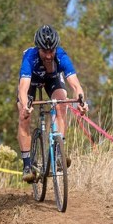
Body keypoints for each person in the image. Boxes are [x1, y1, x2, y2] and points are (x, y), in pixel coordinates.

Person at [17, 25, 89, 182]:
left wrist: (82, 102)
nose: (49, 55)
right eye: (45, 51)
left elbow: (75, 85)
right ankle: (27, 164)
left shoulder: (61, 56)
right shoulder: (30, 57)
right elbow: (23, 88)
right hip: (32, 81)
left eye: (52, 51)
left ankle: (58, 151)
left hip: (52, 79)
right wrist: (25, 106)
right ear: (38, 49)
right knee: (24, 117)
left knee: (61, 104)